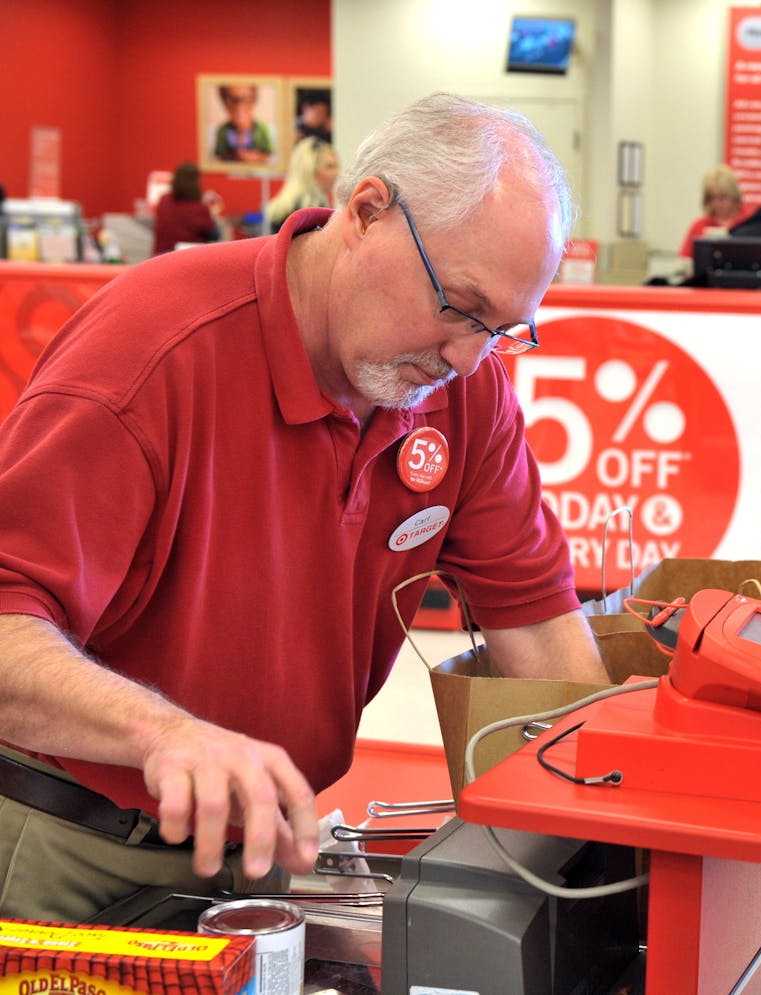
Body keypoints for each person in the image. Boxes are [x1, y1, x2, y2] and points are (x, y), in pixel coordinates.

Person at [0, 92, 610, 921]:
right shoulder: (150, 355)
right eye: (460, 307)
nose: (469, 359)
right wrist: (165, 735)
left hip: (257, 852)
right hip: (66, 841)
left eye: (504, 329)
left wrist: (616, 807)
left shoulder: (465, 391)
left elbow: (537, 621)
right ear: (365, 211)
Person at [264, 136, 340, 234]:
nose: (337, 173)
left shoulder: (284, 207)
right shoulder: (311, 214)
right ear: (311, 171)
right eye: (330, 167)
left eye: (336, 166)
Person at [151, 162, 224, 254]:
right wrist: (213, 215)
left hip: (160, 258)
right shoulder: (199, 208)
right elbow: (214, 236)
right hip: (188, 259)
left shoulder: (164, 201)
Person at [678, 164, 748, 258]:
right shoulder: (699, 226)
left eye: (722, 197)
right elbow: (685, 260)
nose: (717, 204)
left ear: (734, 196)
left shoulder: (748, 222)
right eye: (711, 198)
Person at [213, 83, 274, 165]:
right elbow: (219, 156)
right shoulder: (223, 131)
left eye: (246, 99)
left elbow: (267, 155)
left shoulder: (262, 129)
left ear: (254, 99)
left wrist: (253, 157)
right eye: (234, 100)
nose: (240, 106)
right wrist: (235, 156)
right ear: (225, 103)